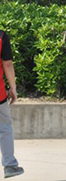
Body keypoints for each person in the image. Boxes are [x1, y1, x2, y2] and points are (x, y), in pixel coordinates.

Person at [0, 30, 24, 179]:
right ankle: (9, 166)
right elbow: (7, 64)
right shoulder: (1, 36)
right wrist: (13, 88)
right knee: (4, 128)